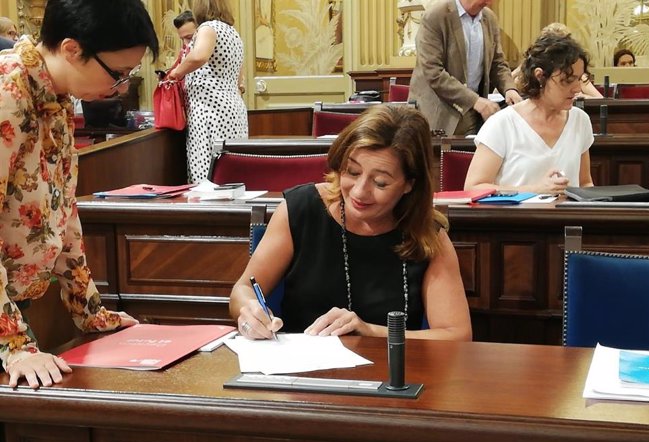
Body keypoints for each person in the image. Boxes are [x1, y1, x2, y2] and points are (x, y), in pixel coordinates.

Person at [0, 0, 159, 389]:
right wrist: (14, 343)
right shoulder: (9, 93)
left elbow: (62, 211)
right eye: (118, 74)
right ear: (72, 49)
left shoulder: (57, 96)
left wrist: (91, 313)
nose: (121, 87)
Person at [229, 104, 472, 341]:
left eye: (380, 183)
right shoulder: (301, 209)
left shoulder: (427, 234)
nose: (359, 192)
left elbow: (456, 336)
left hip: (390, 374)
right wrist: (249, 311)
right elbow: (243, 289)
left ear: (410, 184)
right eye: (352, 172)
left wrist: (369, 331)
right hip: (300, 372)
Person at [464, 33, 594, 195]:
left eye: (579, 80)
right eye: (567, 80)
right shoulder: (502, 124)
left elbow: (585, 182)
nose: (577, 89)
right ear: (539, 76)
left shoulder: (580, 120)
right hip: (515, 218)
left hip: (567, 219)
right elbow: (473, 187)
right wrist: (535, 190)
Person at [409, 0, 522, 137]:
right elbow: (433, 72)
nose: (489, 3)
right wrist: (474, 100)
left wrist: (510, 88)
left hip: (475, 114)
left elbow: (497, 62)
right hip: (440, 115)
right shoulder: (436, 15)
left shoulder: (489, 18)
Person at [169, 0, 248, 184]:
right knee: (230, 174)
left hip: (209, 111)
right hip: (232, 109)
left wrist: (176, 73)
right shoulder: (232, 33)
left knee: (207, 175)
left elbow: (199, 56)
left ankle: (209, 212)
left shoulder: (208, 28)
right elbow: (239, 80)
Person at [512, 23, 602, 100]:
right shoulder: (527, 68)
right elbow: (502, 91)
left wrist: (581, 96)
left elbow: (600, 100)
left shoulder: (576, 73)